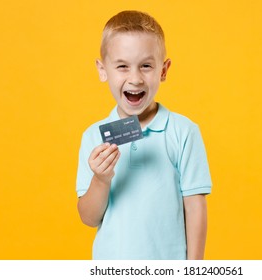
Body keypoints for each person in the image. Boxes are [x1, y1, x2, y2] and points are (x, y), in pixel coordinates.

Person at [76, 10, 212, 260]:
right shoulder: (93, 137)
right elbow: (88, 217)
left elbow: (195, 207)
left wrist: (194, 270)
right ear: (102, 69)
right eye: (122, 66)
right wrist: (101, 179)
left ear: (163, 70)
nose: (135, 78)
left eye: (146, 66)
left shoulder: (183, 132)